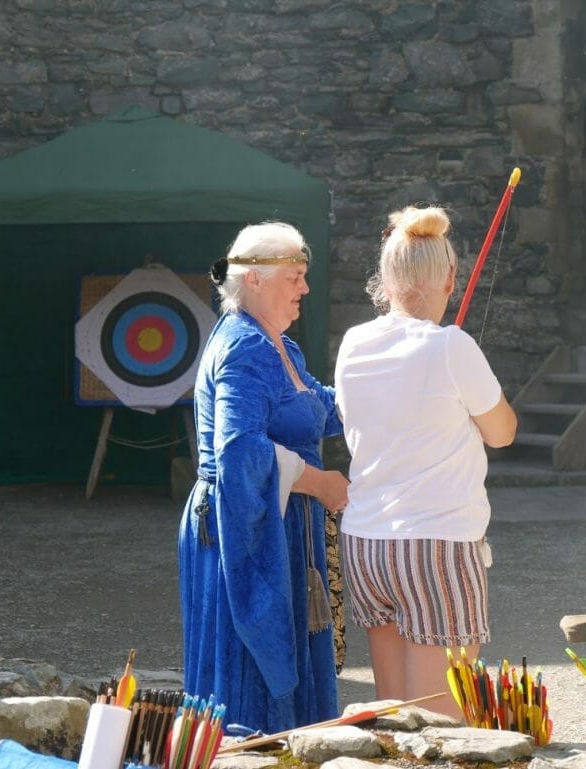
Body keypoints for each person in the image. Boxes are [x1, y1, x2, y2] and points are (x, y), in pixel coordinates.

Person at [333, 205, 517, 719]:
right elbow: (502, 433)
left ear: (385, 280)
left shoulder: (353, 342)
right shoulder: (451, 345)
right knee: (441, 722)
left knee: (393, 711)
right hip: (437, 543)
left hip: (367, 542)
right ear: (451, 280)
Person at [178, 221, 349, 734]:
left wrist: (391, 380)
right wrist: (319, 483)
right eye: (295, 276)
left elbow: (324, 411)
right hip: (243, 531)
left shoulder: (280, 346)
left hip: (278, 526)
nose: (305, 288)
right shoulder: (246, 348)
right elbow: (238, 449)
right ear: (254, 279)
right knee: (249, 676)